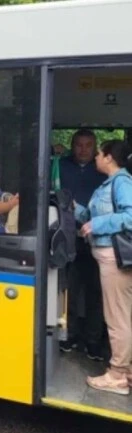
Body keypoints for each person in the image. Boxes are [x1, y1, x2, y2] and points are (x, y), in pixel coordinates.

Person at [76, 140, 132, 395]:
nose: (95, 157)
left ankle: (118, 375)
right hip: (107, 256)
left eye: (99, 153)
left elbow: (130, 216)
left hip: (114, 258)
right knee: (120, 314)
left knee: (116, 317)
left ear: (109, 157)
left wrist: (98, 224)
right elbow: (89, 215)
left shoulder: (122, 182)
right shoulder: (110, 183)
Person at [58, 129, 108, 358]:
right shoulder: (60, 165)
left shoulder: (104, 171)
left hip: (97, 240)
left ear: (95, 147)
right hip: (67, 237)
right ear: (72, 145)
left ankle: (93, 341)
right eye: (79, 144)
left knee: (95, 293)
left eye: (88, 145)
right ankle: (68, 336)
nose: (83, 150)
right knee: (69, 289)